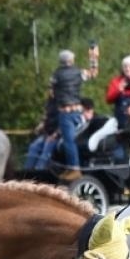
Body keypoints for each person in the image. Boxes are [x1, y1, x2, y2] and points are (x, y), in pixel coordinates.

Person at [48, 48, 91, 181]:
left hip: (65, 112)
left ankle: (74, 167)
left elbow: (51, 93)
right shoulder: (79, 72)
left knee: (68, 141)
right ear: (72, 60)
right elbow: (93, 73)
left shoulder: (56, 75)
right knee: (76, 139)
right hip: (78, 111)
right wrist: (93, 58)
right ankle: (73, 166)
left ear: (61, 61)